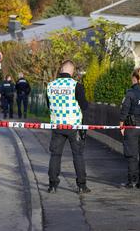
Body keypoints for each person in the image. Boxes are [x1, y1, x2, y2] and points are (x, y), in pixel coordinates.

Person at [47, 60, 89, 194]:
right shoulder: (76, 85)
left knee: (55, 155)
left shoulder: (50, 85)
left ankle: (52, 185)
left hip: (57, 125)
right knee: (78, 155)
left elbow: (49, 105)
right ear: (72, 71)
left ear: (61, 70)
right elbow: (85, 107)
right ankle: (82, 186)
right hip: (74, 126)